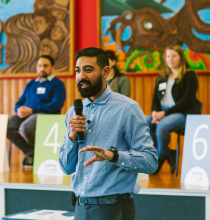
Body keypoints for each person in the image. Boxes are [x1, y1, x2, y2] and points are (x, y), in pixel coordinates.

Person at [59, 47, 158, 220]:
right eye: (77, 70)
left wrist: (113, 156)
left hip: (113, 209)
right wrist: (71, 138)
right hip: (80, 207)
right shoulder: (72, 113)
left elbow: (150, 162)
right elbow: (66, 168)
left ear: (105, 72)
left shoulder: (127, 109)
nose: (81, 76)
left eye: (88, 70)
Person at [146, 45, 201, 174]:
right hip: (163, 112)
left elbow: (187, 101)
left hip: (184, 112)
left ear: (180, 57)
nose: (170, 59)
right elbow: (155, 99)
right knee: (143, 124)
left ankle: (160, 157)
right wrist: (155, 112)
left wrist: (163, 114)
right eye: (168, 56)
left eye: (174, 56)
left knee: (163, 126)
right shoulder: (162, 77)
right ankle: (168, 153)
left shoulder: (189, 75)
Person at [7, 55, 66, 168]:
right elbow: (19, 102)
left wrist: (33, 110)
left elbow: (56, 105)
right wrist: (19, 110)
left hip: (47, 114)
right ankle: (31, 153)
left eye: (45, 66)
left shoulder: (57, 84)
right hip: (27, 114)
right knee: (7, 124)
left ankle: (39, 154)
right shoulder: (31, 84)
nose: (42, 68)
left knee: (26, 127)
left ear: (52, 68)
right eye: (39, 66)